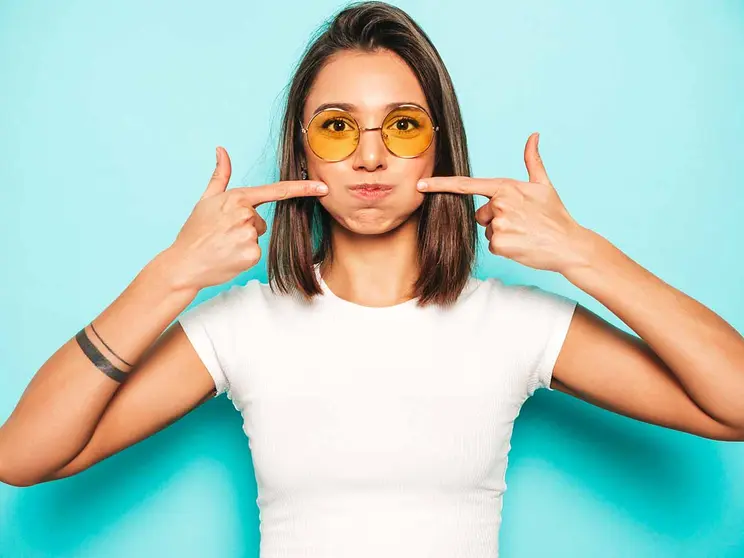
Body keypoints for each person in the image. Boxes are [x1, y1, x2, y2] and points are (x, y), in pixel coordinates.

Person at [1, 1, 743, 557]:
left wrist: (583, 252)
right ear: (304, 150)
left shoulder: (513, 324)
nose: (369, 157)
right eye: (337, 126)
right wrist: (169, 277)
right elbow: (22, 457)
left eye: (402, 126)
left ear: (438, 145)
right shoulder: (242, 325)